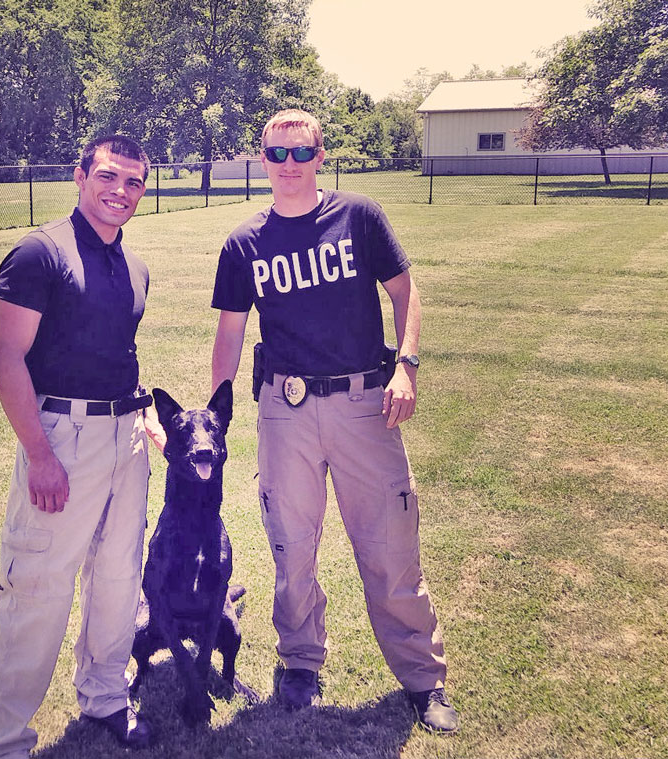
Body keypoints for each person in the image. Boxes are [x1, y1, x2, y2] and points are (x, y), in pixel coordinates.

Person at [210, 109, 459, 734]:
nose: (289, 165)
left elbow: (405, 293)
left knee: (389, 545)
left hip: (362, 403)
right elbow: (230, 332)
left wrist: (406, 366)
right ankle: (299, 662)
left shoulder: (359, 217)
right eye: (277, 153)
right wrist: (217, 411)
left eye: (302, 153)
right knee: (291, 547)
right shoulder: (244, 243)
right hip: (284, 409)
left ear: (322, 156)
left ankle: (423, 680)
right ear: (261, 158)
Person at [0, 134, 161, 757]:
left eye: (134, 182)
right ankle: (4, 741)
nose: (121, 191)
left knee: (116, 578)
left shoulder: (132, 265)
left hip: (125, 438)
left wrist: (142, 415)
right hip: (62, 435)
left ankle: (106, 695)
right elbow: (8, 361)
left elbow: (114, 352)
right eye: (109, 176)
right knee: (38, 588)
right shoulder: (39, 253)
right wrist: (40, 455)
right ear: (80, 175)